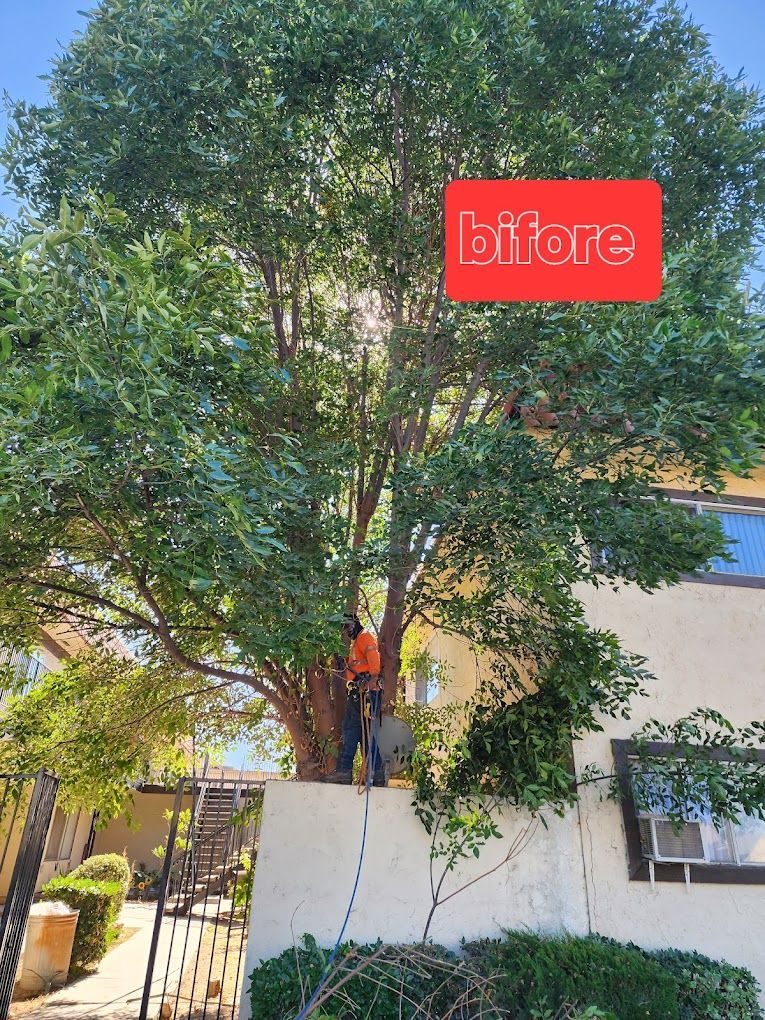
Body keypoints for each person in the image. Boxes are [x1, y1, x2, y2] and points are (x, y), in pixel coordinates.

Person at [322, 612, 386, 786]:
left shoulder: (364, 637)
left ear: (354, 624)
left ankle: (372, 773)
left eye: (348, 626)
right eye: (345, 628)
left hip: (366, 691)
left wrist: (373, 677)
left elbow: (373, 653)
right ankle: (350, 773)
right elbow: (357, 662)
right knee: (353, 732)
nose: (347, 631)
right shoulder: (356, 642)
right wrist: (344, 661)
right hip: (359, 692)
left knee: (364, 733)